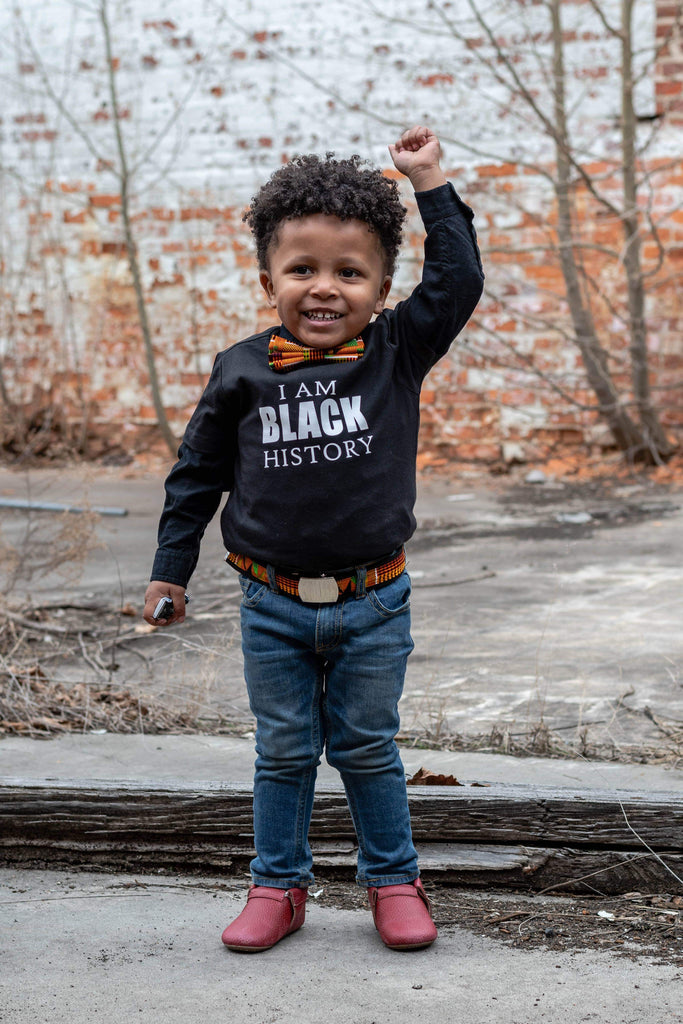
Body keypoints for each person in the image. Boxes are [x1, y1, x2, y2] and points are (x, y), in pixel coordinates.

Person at [143, 125, 484, 953]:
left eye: (349, 273)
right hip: (271, 604)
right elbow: (196, 475)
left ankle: (393, 881)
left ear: (381, 287)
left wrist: (429, 183)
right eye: (302, 270)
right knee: (284, 751)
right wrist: (170, 571)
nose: (324, 288)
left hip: (374, 602)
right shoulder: (240, 369)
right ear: (269, 281)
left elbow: (460, 280)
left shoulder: (397, 348)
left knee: (366, 748)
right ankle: (278, 886)